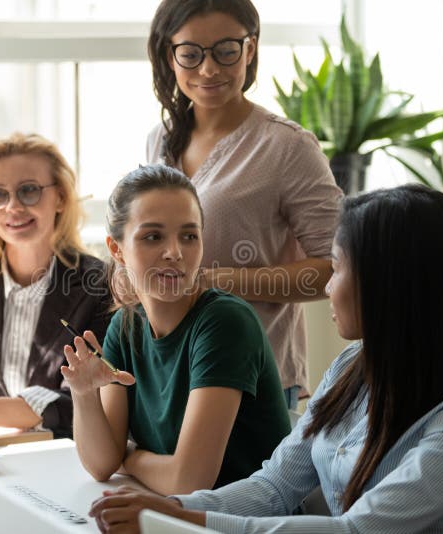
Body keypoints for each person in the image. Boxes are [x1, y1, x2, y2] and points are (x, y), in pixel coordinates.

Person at [88, 184, 443, 533]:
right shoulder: (351, 367)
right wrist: (169, 508)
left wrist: (182, 516)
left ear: (390, 286)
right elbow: (275, 486)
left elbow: (359, 529)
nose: (328, 288)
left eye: (337, 269)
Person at [146, 0, 344, 409]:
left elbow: (336, 266)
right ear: (170, 54)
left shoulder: (287, 147)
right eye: (191, 53)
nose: (208, 69)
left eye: (226, 50)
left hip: (253, 371)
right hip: (168, 366)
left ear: (250, 49)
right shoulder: (160, 140)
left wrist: (210, 282)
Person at [60, 164, 291, 497]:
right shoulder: (125, 327)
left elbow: (189, 480)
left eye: (189, 235)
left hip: (246, 522)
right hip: (182, 517)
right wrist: (83, 394)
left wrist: (129, 457)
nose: (175, 252)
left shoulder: (224, 322)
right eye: (153, 236)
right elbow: (100, 465)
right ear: (116, 248)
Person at [0, 132, 111, 439]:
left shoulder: (99, 285)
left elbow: (89, 401)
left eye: (29, 191)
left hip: (64, 459)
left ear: (59, 197)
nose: (13, 207)